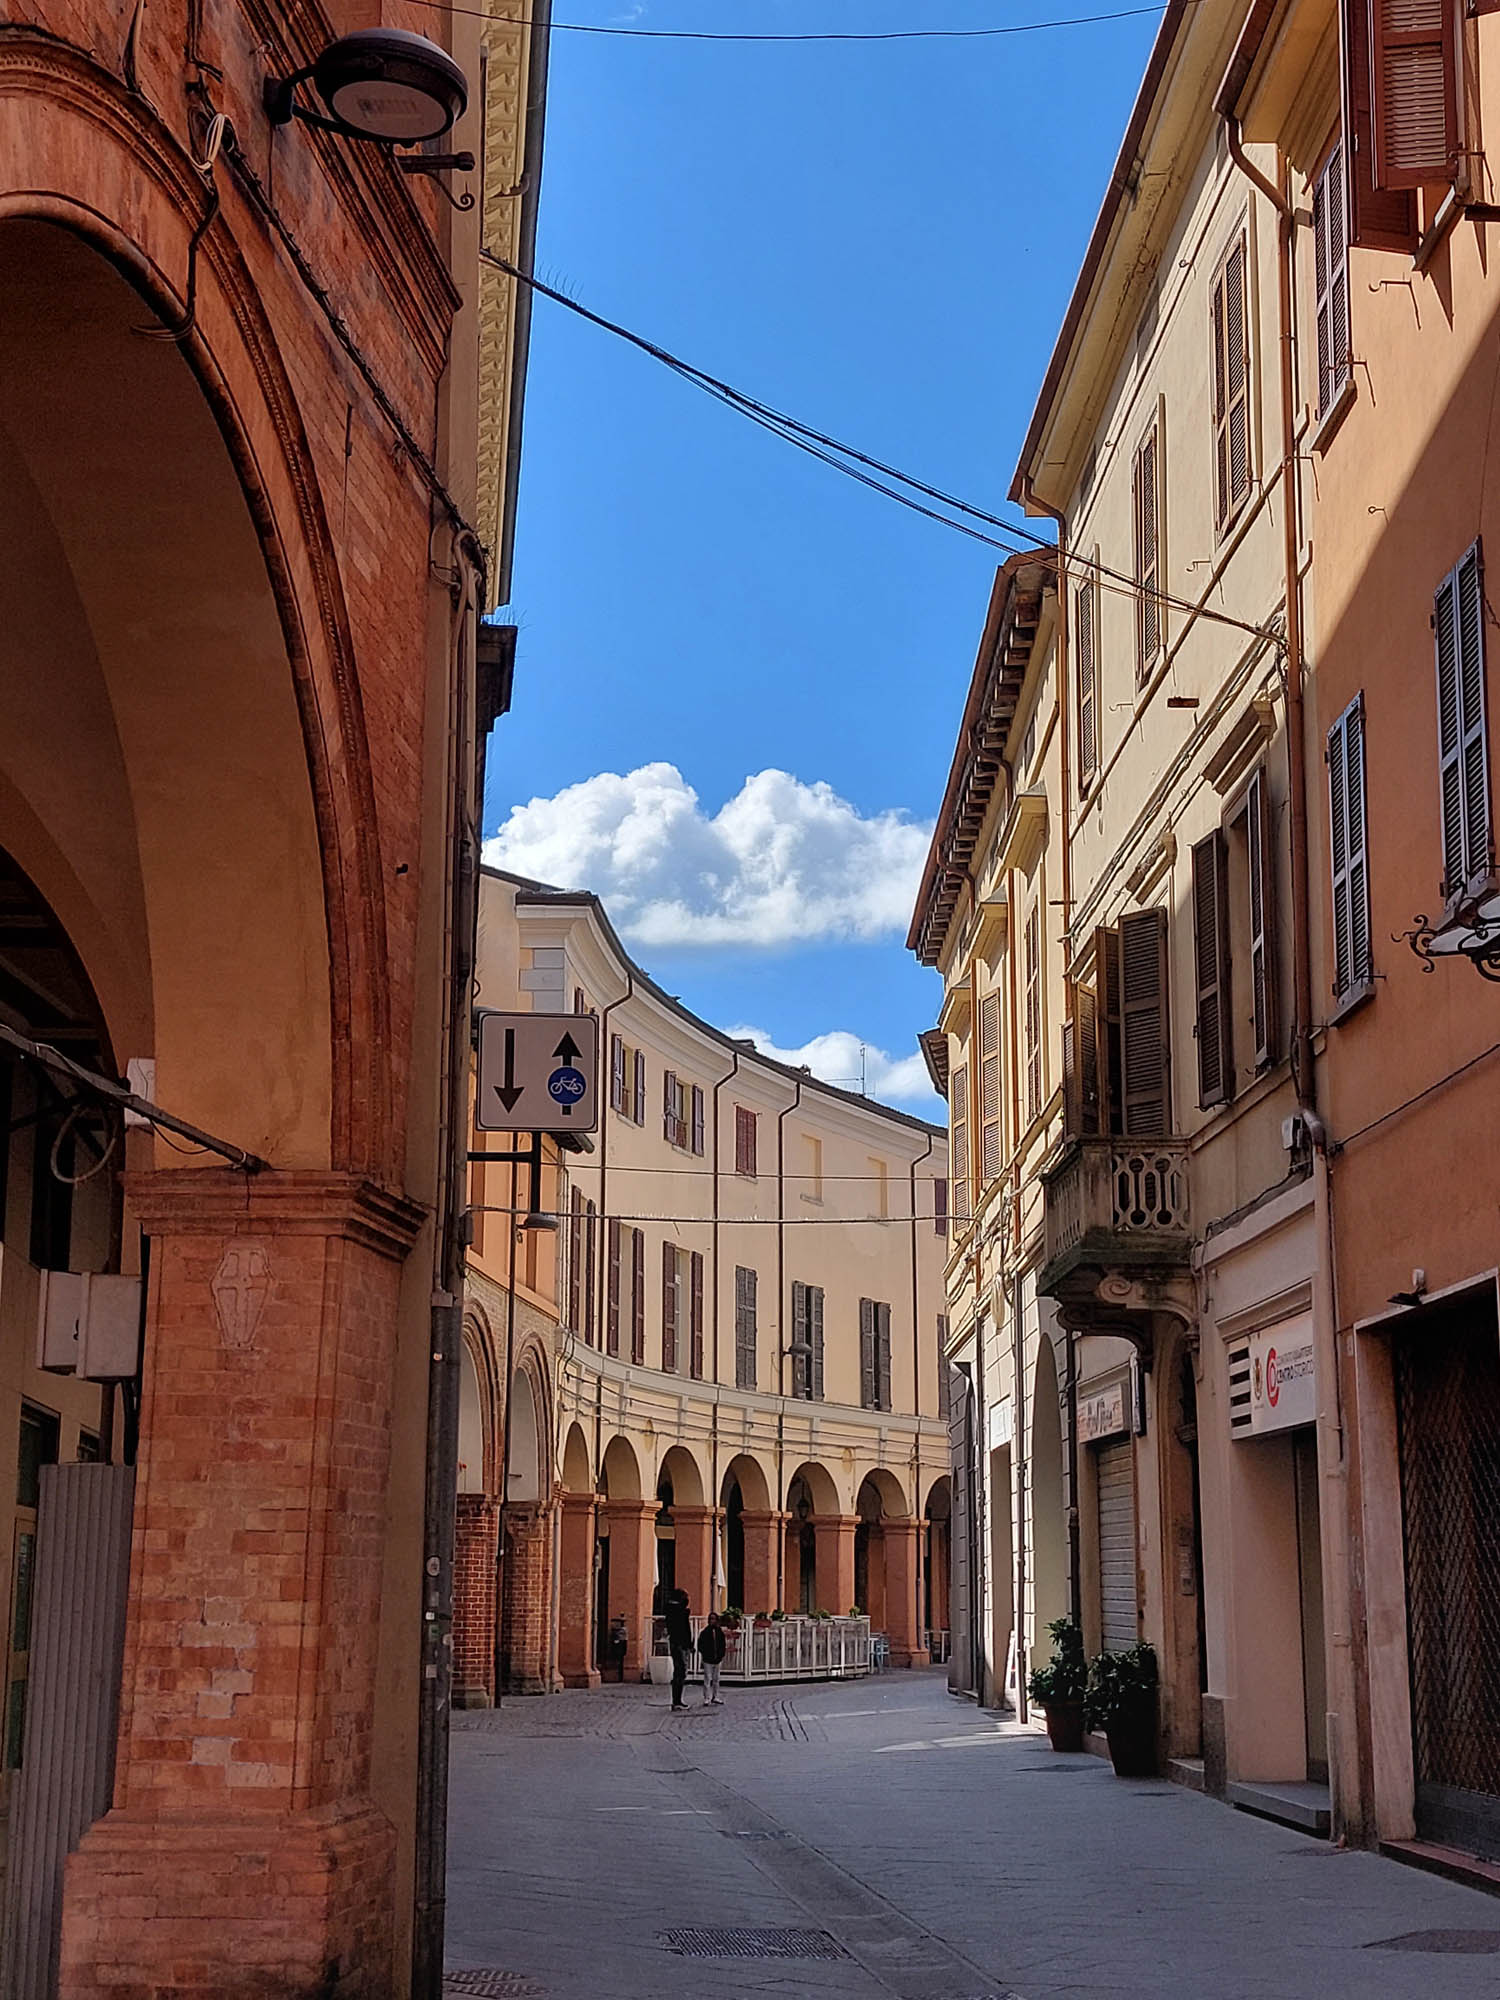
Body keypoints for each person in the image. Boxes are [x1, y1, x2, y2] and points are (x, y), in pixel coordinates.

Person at [663, 1585, 693, 1709]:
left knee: (679, 1671)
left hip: (675, 1642)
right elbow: (685, 1629)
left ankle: (677, 1700)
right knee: (681, 1672)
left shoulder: (671, 1610)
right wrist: (689, 1644)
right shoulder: (681, 1612)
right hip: (680, 1643)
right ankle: (677, 1701)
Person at [697, 1610, 726, 1705]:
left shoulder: (719, 1632)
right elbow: (700, 1645)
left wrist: (721, 1655)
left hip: (717, 1659)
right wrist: (705, 1654)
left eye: (713, 1619)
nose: (711, 1621)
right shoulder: (705, 1632)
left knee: (716, 1679)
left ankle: (715, 1696)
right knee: (707, 1679)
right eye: (710, 1619)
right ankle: (707, 1697)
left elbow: (722, 1644)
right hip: (708, 1659)